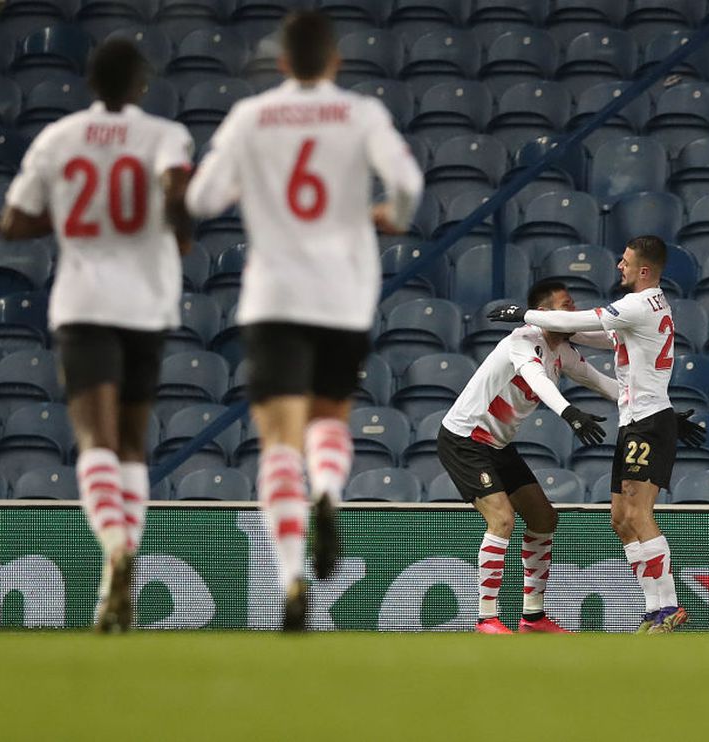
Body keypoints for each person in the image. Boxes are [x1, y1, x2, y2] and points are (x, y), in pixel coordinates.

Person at [185, 11, 424, 631]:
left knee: (277, 441)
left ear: (284, 62)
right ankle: (328, 489)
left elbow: (202, 199)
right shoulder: (359, 113)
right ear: (336, 60)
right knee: (328, 418)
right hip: (343, 294)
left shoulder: (252, 116)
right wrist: (390, 214)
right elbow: (407, 181)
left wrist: (248, 187)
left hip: (274, 295)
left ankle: (292, 575)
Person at [0, 40, 194, 633]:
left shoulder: (58, 139)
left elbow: (11, 222)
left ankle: (114, 544)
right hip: (146, 306)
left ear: (90, 82)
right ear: (140, 85)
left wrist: (69, 212)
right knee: (133, 441)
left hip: (83, 305)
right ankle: (121, 561)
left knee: (95, 440)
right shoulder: (165, 135)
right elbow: (177, 195)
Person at [490, 236, 706, 634]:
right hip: (638, 421)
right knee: (621, 518)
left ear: (644, 270)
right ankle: (653, 609)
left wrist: (527, 314)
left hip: (648, 422)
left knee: (639, 513)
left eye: (625, 262)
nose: (619, 268)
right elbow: (592, 334)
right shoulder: (648, 307)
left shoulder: (638, 304)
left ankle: (668, 606)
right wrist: (553, 324)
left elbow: (582, 322)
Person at [439, 280, 620, 634]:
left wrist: (653, 409)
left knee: (543, 518)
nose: (574, 312)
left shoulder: (562, 350)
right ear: (544, 313)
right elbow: (537, 380)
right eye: (566, 306)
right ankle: (485, 618)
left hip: (498, 446)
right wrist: (570, 413)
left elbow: (601, 381)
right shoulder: (522, 341)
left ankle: (532, 617)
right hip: (465, 439)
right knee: (502, 519)